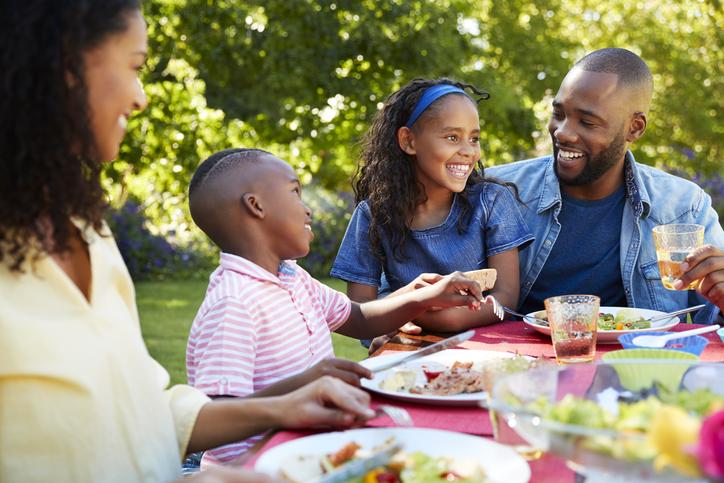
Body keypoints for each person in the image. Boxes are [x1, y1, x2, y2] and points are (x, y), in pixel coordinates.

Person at [0, 2, 380, 482]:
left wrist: (280, 409)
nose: (140, 99)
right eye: (135, 66)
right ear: (60, 69)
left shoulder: (85, 232)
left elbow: (139, 413)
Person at [186, 147, 487, 466]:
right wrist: (307, 383)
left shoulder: (292, 276)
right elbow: (212, 420)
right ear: (256, 206)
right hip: (254, 468)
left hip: (311, 451)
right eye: (295, 193)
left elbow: (358, 318)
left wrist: (423, 295)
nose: (307, 210)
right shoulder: (234, 302)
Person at [485, 48, 724, 324]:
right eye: (559, 114)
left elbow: (711, 323)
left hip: (640, 363)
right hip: (522, 361)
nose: (562, 132)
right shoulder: (500, 192)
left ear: (634, 128)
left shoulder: (684, 206)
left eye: (587, 122)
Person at [329, 78, 533, 339]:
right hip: (408, 350)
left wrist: (421, 313)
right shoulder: (373, 215)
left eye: (474, 138)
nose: (469, 151)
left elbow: (506, 299)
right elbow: (361, 310)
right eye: (452, 137)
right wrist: (399, 319)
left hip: (485, 349)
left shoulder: (492, 201)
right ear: (408, 141)